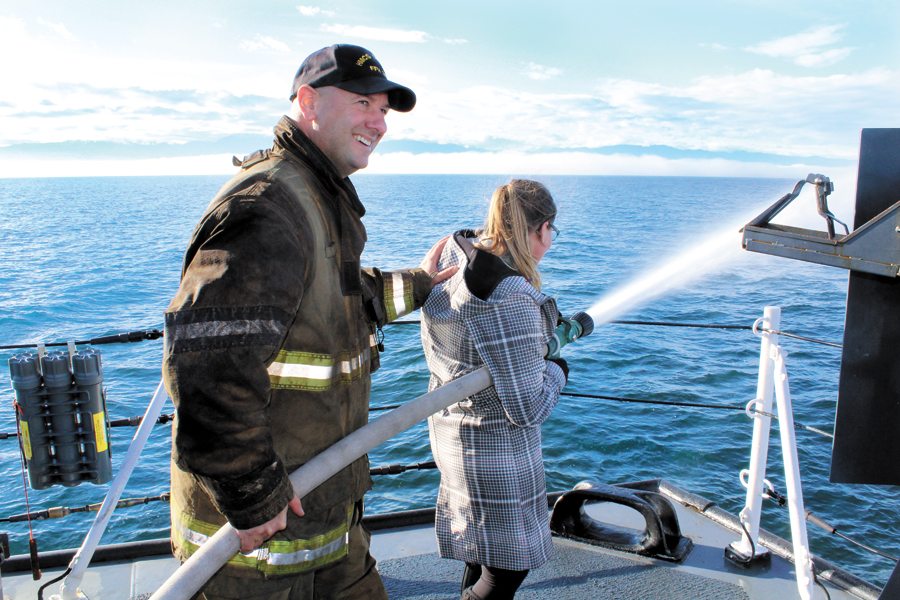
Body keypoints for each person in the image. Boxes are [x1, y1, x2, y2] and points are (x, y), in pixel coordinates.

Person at [162, 44, 456, 600]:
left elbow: (336, 302)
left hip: (327, 527)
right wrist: (251, 493)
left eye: (385, 110)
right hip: (256, 555)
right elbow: (206, 366)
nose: (379, 121)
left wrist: (420, 282)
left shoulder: (317, 196)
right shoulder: (270, 204)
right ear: (308, 101)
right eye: (364, 102)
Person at [421, 180, 568, 600]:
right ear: (540, 228)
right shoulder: (508, 296)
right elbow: (528, 406)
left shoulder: (454, 248)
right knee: (507, 571)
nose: (550, 243)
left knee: (482, 550)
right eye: (551, 233)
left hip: (450, 429)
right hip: (491, 450)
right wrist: (558, 369)